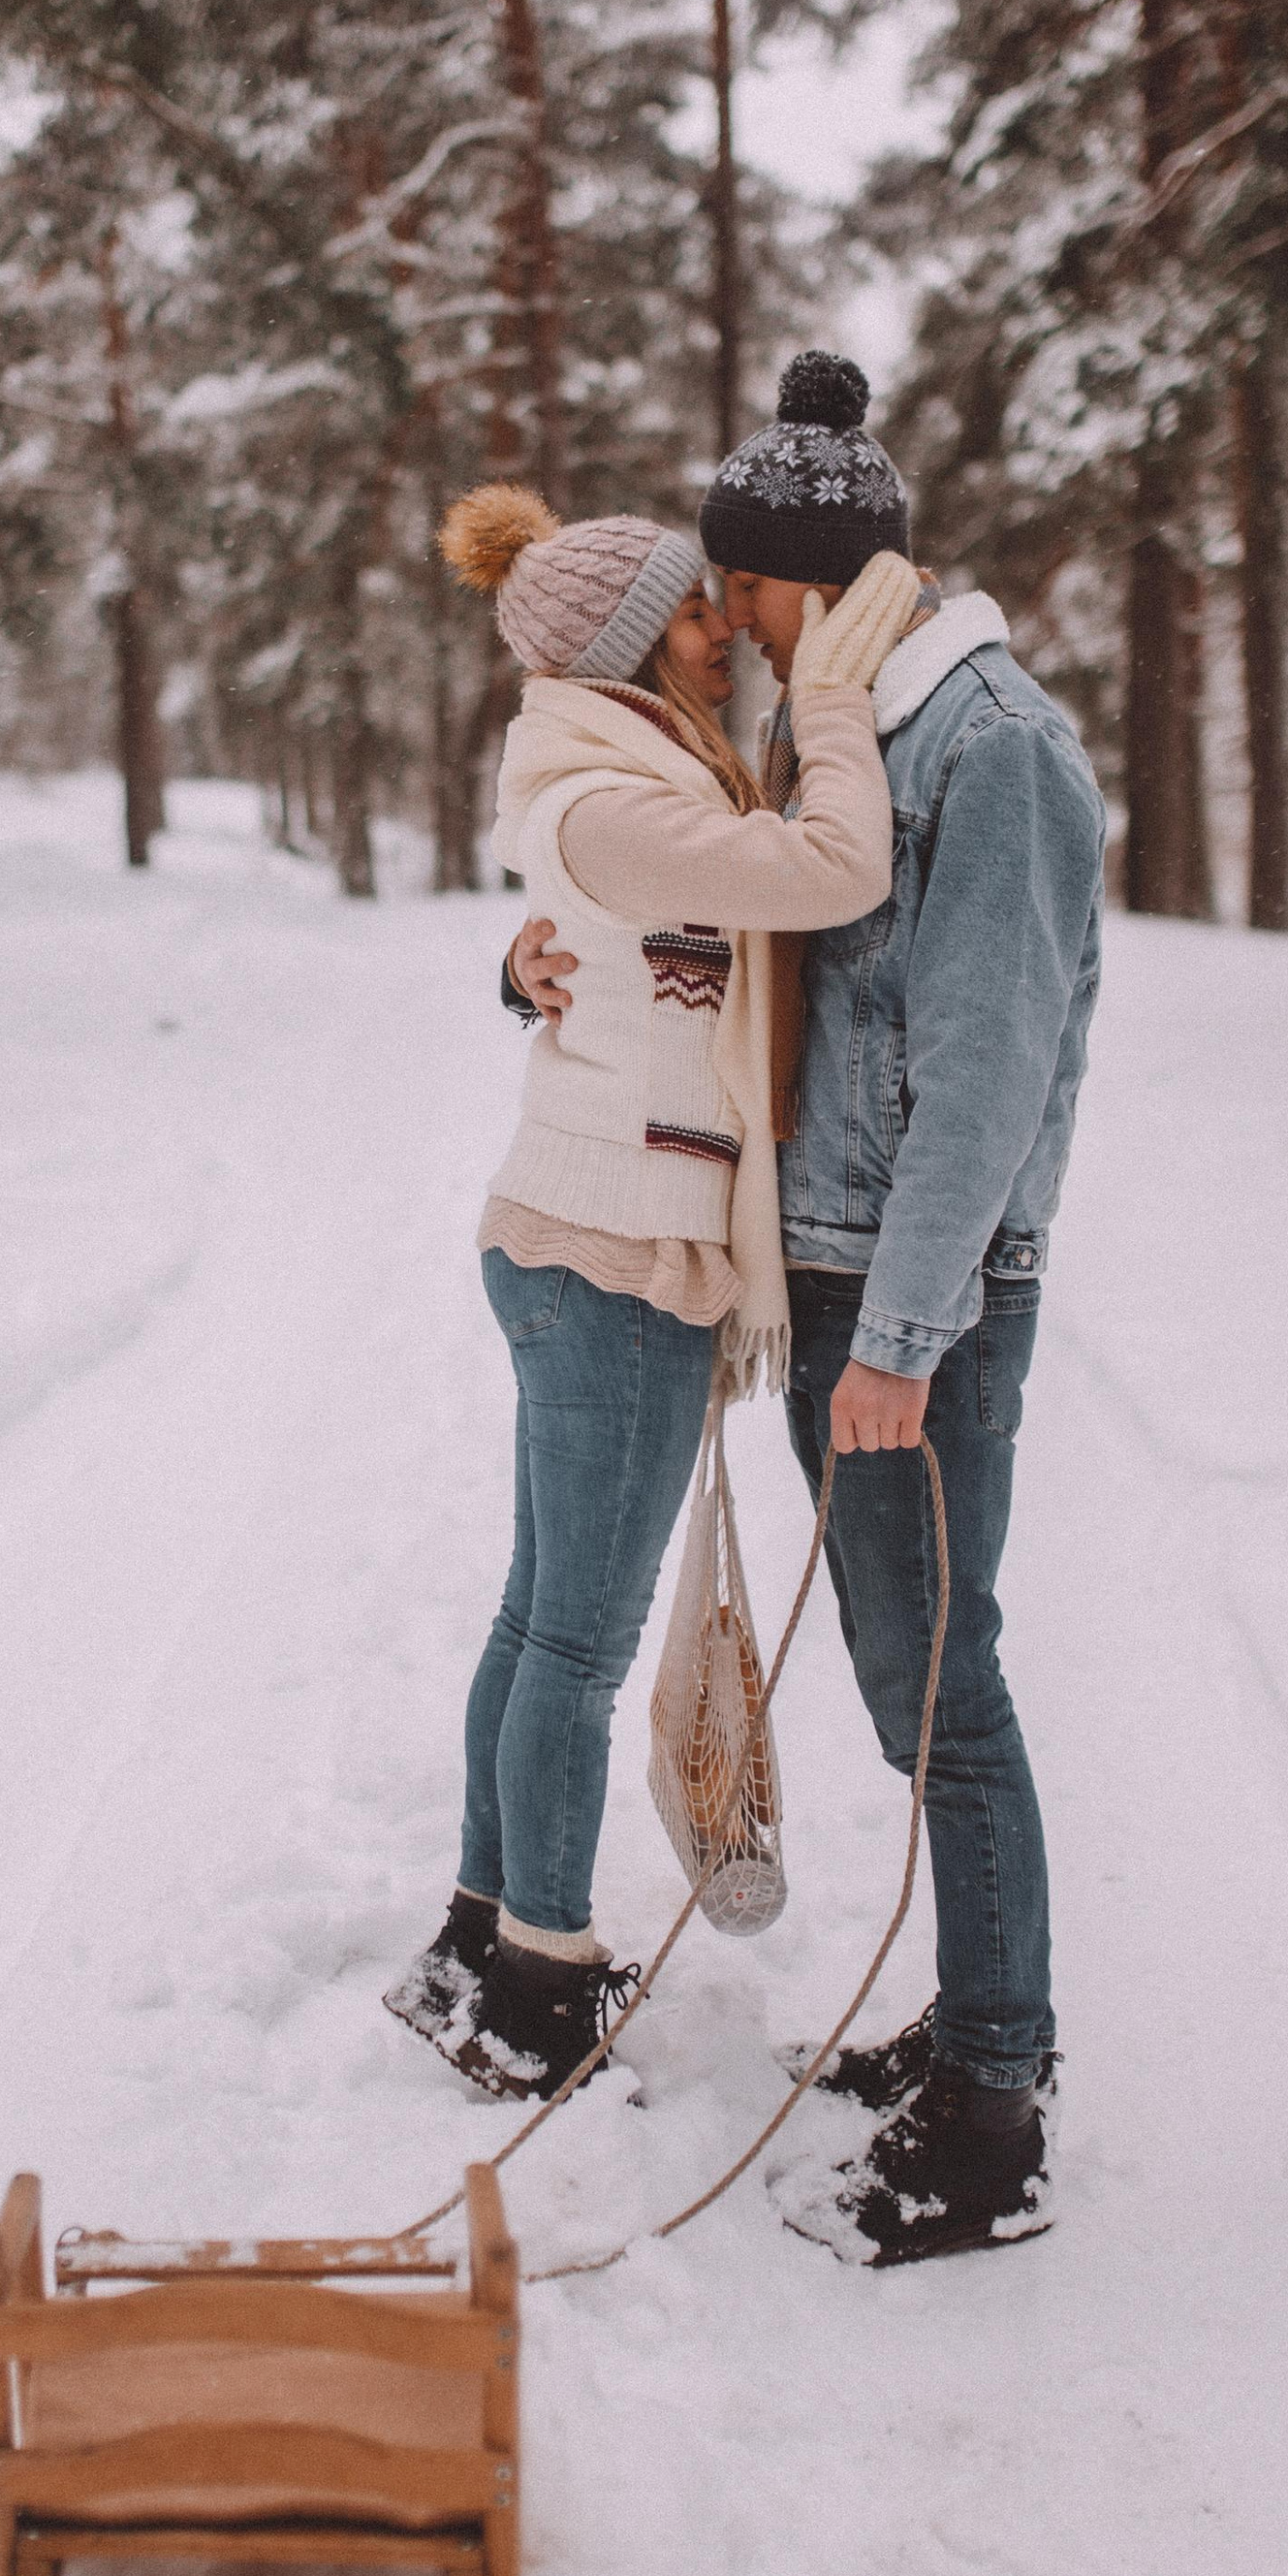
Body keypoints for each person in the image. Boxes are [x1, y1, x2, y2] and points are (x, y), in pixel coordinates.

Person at [509, 350, 1105, 2263]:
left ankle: (992, 2105)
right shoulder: (852, 726)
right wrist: (534, 957)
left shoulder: (982, 746)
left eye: (738, 589)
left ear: (803, 580)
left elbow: (989, 1072)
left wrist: (905, 1346)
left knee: (947, 1692)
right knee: (897, 1675)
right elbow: (711, 932)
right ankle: (966, 2024)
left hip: (910, 1303)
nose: (730, 625)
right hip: (835, 1273)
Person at [387, 481, 925, 2102]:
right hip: (609, 1256)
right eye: (701, 611)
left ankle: (478, 1935)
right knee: (578, 1643)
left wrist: (519, 967)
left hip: (593, 1237)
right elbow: (829, 866)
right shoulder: (608, 792)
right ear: (634, 651)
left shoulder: (632, 763)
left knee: (536, 1621)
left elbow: (638, 949)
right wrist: (834, 696)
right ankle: (539, 1981)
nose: (730, 629)